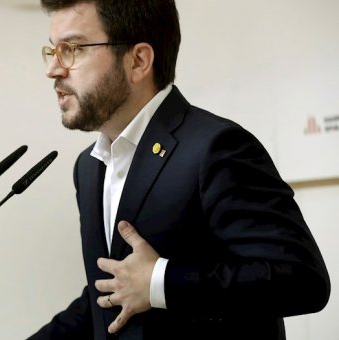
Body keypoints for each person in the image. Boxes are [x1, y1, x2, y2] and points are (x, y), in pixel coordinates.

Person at [28, 1, 331, 339]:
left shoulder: (216, 148)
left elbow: (301, 280)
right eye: (52, 51)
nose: (54, 69)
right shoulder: (88, 167)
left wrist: (160, 281)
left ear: (138, 60)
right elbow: (111, 293)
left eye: (72, 49)